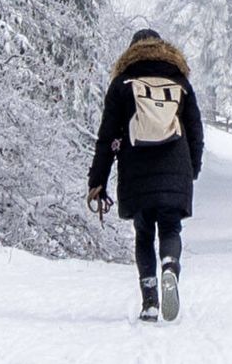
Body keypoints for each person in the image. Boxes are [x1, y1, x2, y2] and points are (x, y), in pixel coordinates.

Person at [84, 29, 206, 320]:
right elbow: (196, 133)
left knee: (143, 234)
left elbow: (108, 139)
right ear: (163, 49)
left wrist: (97, 181)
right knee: (170, 228)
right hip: (175, 167)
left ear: (132, 51)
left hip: (136, 168)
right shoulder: (180, 83)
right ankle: (170, 265)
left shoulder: (122, 84)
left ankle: (150, 300)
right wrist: (192, 170)